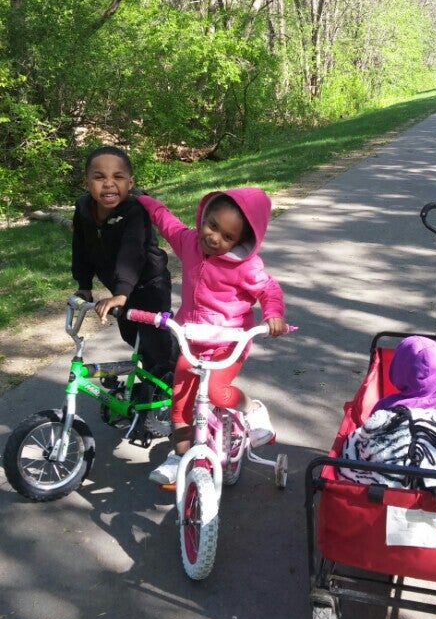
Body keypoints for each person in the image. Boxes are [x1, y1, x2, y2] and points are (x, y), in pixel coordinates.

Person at [133, 187, 287, 485]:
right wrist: (143, 199)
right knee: (180, 404)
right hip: (192, 339)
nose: (214, 237)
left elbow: (269, 289)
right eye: (212, 225)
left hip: (228, 342)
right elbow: (167, 222)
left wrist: (273, 315)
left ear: (241, 241)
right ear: (204, 217)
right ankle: (179, 457)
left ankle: (252, 409)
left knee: (216, 392)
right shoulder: (190, 242)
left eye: (227, 237)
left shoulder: (246, 266)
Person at [72, 146, 177, 374]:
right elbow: (80, 247)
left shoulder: (135, 210)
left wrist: (120, 293)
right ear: (87, 182)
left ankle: (175, 376)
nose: (109, 183)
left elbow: (132, 251)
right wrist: (84, 286)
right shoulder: (83, 209)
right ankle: (154, 374)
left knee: (154, 340)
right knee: (131, 335)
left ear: (130, 183)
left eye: (118, 177)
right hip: (119, 287)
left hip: (150, 283)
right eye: (99, 177)